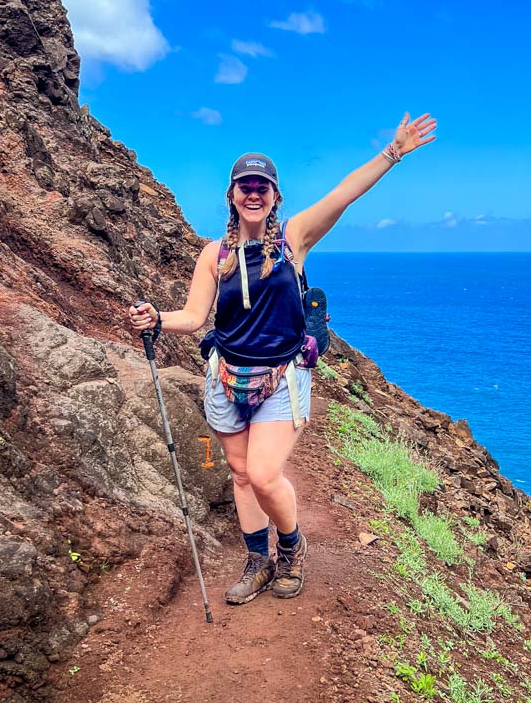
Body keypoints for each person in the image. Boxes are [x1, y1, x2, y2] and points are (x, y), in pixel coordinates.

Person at [128, 112, 437, 604]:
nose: (254, 193)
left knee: (266, 474)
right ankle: (259, 560)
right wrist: (157, 318)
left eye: (263, 187)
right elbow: (193, 315)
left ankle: (291, 547)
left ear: (275, 196)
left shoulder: (293, 240)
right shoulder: (214, 255)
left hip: (280, 377)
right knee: (243, 475)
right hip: (227, 376)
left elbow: (343, 195)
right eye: (244, 185)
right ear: (231, 195)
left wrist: (392, 152)